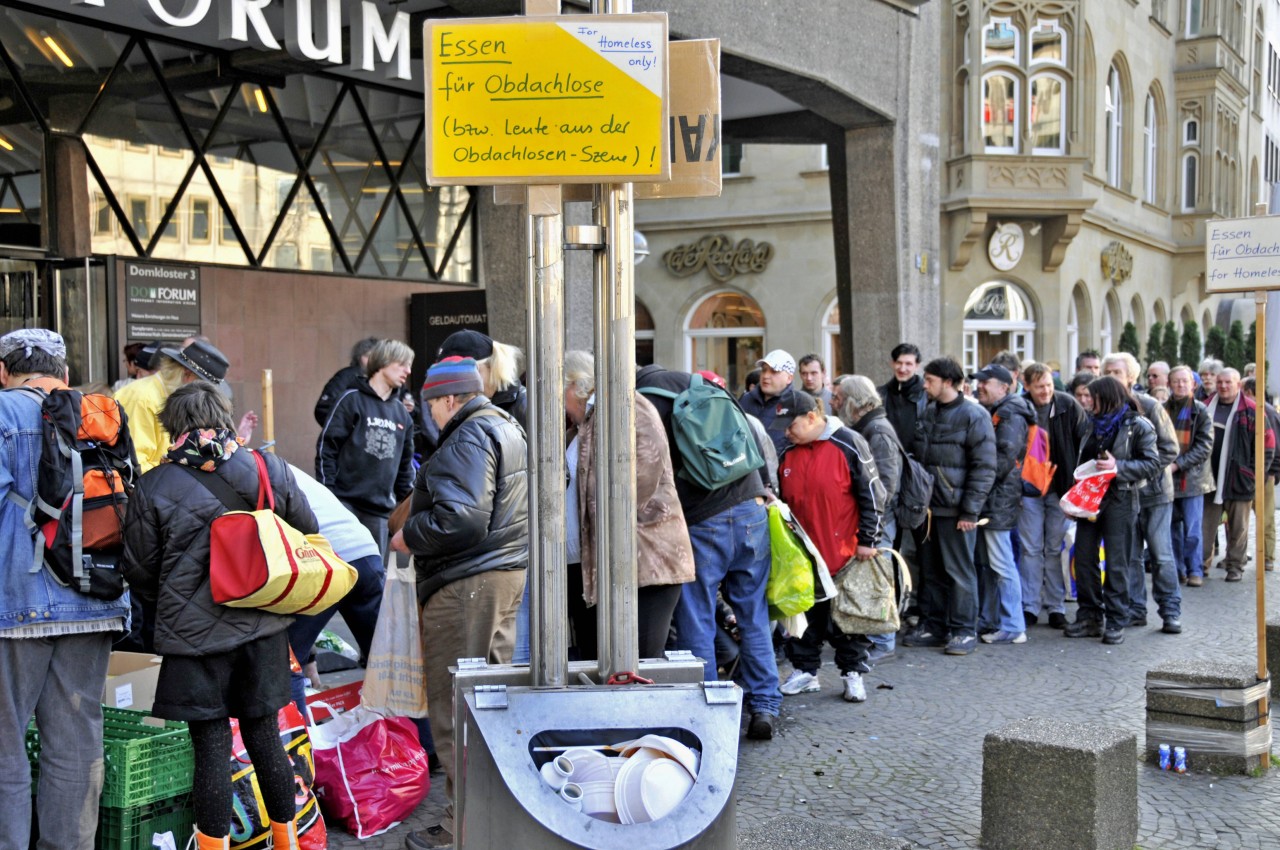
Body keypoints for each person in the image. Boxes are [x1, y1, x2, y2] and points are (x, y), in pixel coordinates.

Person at [122, 381, 318, 850]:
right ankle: (287, 843)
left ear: (172, 427)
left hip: (192, 640)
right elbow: (307, 531)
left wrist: (176, 599)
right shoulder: (266, 467)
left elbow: (140, 571)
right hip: (263, 626)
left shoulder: (152, 485)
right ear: (225, 417)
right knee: (264, 736)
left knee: (210, 749)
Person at [0, 329, 133, 850]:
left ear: (5, 371)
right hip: (96, 597)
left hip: (17, 603)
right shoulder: (102, 414)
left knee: (6, 742)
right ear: (65, 374)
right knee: (76, 742)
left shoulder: (5, 413)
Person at [391, 356, 528, 850]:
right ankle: (487, 819)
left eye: (431, 405)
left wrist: (409, 534)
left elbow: (461, 520)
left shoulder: (467, 435)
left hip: (467, 582)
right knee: (489, 702)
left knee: (458, 709)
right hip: (502, 574)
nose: (429, 415)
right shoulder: (504, 424)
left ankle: (462, 829)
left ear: (449, 399)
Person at [636, 362, 782, 740]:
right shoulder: (699, 384)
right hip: (751, 508)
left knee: (696, 616)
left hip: (704, 519)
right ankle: (764, 704)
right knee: (753, 613)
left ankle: (712, 708)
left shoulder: (643, 400)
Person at [564, 351, 694, 659]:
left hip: (644, 560)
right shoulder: (584, 424)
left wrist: (598, 530)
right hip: (607, 564)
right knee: (605, 660)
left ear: (574, 386)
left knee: (639, 660)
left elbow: (642, 476)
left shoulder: (627, 406)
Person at [776, 393, 885, 702]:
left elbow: (874, 494)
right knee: (803, 617)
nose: (786, 432)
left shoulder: (849, 443)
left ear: (812, 417)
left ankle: (853, 673)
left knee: (848, 619)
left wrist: (868, 541)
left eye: (792, 425)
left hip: (845, 554)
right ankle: (806, 671)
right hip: (801, 555)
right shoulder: (787, 451)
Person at [901, 357, 996, 656]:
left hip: (956, 510)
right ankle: (934, 625)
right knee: (931, 572)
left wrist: (970, 511)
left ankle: (964, 630)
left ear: (948, 382)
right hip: (929, 509)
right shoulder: (928, 412)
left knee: (959, 572)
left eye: (929, 380)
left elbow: (984, 467)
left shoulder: (974, 415)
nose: (924, 384)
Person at [1063, 377, 1160, 645]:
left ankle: (1116, 620)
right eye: (1085, 397)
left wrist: (1119, 468)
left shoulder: (1137, 424)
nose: (1087, 402)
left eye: (1092, 397)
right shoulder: (1089, 424)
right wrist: (1074, 499)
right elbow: (1081, 462)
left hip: (1121, 498)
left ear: (1107, 397)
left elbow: (1153, 463)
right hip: (1090, 500)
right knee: (1083, 557)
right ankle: (1089, 616)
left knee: (1117, 563)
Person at [1102, 352, 1181, 634]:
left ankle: (1170, 611)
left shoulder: (1149, 406)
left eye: (1116, 372)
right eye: (1107, 372)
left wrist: (1130, 469)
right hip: (1123, 496)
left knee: (1160, 555)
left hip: (1155, 493)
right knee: (1130, 556)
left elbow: (1170, 449)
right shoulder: (1104, 411)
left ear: (1131, 377)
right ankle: (1136, 609)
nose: (1110, 377)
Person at [315, 339, 416, 560]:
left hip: (380, 512)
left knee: (373, 580)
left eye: (409, 365)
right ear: (383, 361)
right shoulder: (350, 400)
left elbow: (405, 466)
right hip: (344, 504)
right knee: (341, 572)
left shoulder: (402, 414)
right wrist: (328, 496)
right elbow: (327, 449)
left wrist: (406, 508)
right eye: (402, 364)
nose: (408, 371)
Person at [285, 464, 385, 676]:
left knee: (288, 660)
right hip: (364, 551)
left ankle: (298, 699)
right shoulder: (279, 467)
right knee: (386, 661)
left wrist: (305, 657)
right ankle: (397, 706)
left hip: (326, 561)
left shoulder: (245, 472)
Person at [836, 375, 902, 664]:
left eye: (838, 398)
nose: (833, 402)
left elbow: (885, 484)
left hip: (879, 520)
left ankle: (882, 640)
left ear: (853, 401)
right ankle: (874, 637)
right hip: (873, 518)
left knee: (878, 580)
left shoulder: (877, 430)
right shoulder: (867, 427)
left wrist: (870, 524)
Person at [1019, 362, 1090, 630]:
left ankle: (1056, 606)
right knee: (1030, 549)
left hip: (1060, 488)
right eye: (1039, 387)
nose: (1046, 391)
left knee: (1054, 548)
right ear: (1027, 386)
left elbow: (1084, 442)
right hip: (1028, 489)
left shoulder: (1068, 405)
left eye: (1049, 385)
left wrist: (1077, 484)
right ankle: (1029, 605)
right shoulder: (1019, 408)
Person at [973, 364, 1033, 644]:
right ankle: (996, 620)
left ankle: (1013, 625)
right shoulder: (1003, 410)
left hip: (998, 498)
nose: (980, 386)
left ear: (1004, 387)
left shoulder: (1009, 412)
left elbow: (1003, 457)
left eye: (986, 382)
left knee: (1000, 563)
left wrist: (979, 486)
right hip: (997, 497)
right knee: (992, 563)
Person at [115, 338, 234, 471]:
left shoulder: (165, 395)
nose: (203, 399)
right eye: (203, 390)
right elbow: (135, 465)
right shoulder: (142, 398)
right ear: (187, 375)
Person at [1204, 369, 1277, 581]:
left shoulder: (1253, 411)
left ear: (1238, 385)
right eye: (1220, 382)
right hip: (1208, 480)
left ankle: (1235, 566)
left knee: (1239, 528)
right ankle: (1201, 565)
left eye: (1228, 382)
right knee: (1204, 526)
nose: (1223, 386)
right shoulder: (1204, 407)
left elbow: (1267, 447)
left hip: (1240, 479)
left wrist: (1253, 475)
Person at [1166, 366, 1214, 587]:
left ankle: (1196, 570)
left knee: (1193, 529)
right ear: (1169, 384)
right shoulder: (1161, 409)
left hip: (1193, 479)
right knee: (1172, 528)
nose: (1180, 385)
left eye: (1185, 381)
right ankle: (1178, 570)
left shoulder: (1201, 411)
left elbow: (1204, 446)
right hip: (1167, 478)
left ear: (1193, 384)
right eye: (1176, 381)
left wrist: (1179, 464)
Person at [1243, 377, 1280, 572]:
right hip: (1255, 471)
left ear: (1249, 392)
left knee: (1265, 517)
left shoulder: (1266, 412)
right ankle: (1266, 558)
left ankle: (1267, 558)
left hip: (1264, 472)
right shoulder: (1266, 410)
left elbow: (1276, 446)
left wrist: (1271, 472)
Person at [739, 349, 801, 455]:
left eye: (774, 371)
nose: (766, 375)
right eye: (764, 370)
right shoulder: (746, 399)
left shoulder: (797, 404)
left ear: (789, 378)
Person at [313, 336, 380, 426]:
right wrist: (347, 431)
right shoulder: (346, 376)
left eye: (376, 357)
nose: (371, 361)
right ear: (358, 358)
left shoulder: (389, 378)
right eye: (367, 356)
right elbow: (324, 408)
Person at [878, 342, 927, 451]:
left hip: (918, 462)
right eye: (899, 363)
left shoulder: (928, 396)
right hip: (888, 460)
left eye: (908, 364)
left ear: (917, 366)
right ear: (892, 363)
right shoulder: (879, 395)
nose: (902, 369)